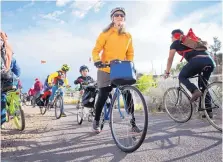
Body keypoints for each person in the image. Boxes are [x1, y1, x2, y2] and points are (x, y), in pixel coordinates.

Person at [91, 7, 141, 133]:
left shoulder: (128, 35)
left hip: (120, 69)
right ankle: (97, 120)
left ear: (124, 19)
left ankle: (132, 122)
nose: (119, 17)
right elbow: (96, 50)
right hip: (106, 68)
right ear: (112, 19)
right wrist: (97, 60)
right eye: (116, 15)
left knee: (127, 93)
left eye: (121, 16)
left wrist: (130, 64)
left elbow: (130, 53)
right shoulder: (105, 34)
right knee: (103, 94)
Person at [164, 29, 215, 118]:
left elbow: (170, 58)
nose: (171, 39)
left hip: (198, 61)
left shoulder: (176, 42)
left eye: (171, 37)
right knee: (203, 86)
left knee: (182, 76)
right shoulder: (191, 41)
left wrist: (167, 72)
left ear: (175, 36)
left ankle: (194, 91)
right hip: (210, 61)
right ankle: (208, 111)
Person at [1, 31, 21, 126]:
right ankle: (17, 109)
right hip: (11, 79)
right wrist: (17, 78)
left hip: (4, 80)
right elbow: (18, 71)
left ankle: (2, 121)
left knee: (3, 97)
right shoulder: (10, 53)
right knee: (15, 93)